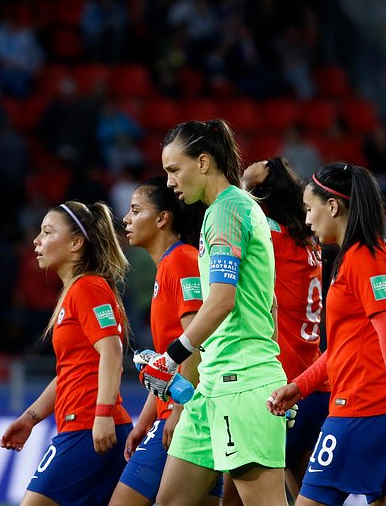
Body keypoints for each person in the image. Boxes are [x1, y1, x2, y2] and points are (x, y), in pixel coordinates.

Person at [137, 119, 288, 506]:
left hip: (242, 383)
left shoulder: (228, 210)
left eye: (175, 169)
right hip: (212, 386)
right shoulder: (226, 211)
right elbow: (268, 304)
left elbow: (222, 301)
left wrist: (171, 358)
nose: (169, 182)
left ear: (203, 163)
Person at [267, 162, 386, 506]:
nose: (307, 220)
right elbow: (347, 345)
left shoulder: (362, 258)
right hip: (384, 409)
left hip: (359, 406)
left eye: (310, 209)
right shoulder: (383, 251)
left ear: (333, 206)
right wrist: (300, 386)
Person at [0, 200, 133, 505]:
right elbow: (71, 372)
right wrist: (31, 418)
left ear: (75, 243)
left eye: (47, 232)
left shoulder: (87, 288)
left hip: (88, 428)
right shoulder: (76, 291)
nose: (37, 240)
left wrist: (102, 414)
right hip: (86, 425)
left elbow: (111, 351)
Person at [111, 176, 221, 506]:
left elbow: (198, 345)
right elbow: (166, 362)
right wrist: (146, 420)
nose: (126, 219)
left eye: (135, 210)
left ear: (162, 218)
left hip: (188, 415)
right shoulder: (167, 266)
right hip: (178, 413)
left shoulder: (182, 261)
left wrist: (176, 412)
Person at [231, 157, 328, 501]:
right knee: (303, 493)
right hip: (315, 382)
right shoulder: (309, 242)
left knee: (239, 488)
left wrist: (244, 183)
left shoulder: (268, 234)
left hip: (283, 387)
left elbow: (230, 217)